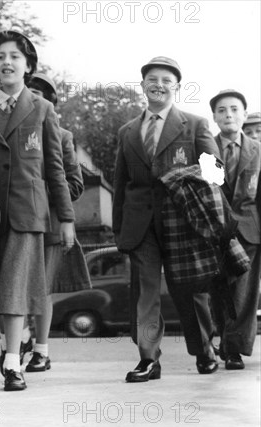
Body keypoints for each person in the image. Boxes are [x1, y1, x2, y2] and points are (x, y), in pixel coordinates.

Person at [0, 30, 76, 391]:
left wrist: (66, 218)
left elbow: (55, 169)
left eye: (15, 57)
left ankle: (11, 362)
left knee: (17, 287)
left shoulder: (43, 109)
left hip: (27, 215)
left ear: (28, 65)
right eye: (0, 57)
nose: (7, 62)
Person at [112, 56, 220, 383]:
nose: (158, 84)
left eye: (166, 80)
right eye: (152, 79)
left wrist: (182, 176)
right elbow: (120, 184)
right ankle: (148, 359)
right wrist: (120, 229)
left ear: (177, 87)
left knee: (191, 290)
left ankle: (204, 350)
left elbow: (216, 173)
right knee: (145, 291)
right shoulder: (127, 131)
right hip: (141, 225)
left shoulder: (196, 124)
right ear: (143, 85)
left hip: (183, 222)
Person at [5, 72, 90, 373]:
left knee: (43, 289)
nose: (35, 98)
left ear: (51, 103)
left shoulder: (63, 136)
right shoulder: (8, 130)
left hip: (50, 223)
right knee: (11, 285)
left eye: (42, 95)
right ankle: (16, 343)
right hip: (16, 219)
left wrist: (43, 190)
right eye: (31, 92)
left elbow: (75, 185)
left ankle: (41, 349)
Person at [209, 89, 261, 370]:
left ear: (243, 113)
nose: (228, 115)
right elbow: (209, 191)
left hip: (250, 230)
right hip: (217, 230)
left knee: (244, 292)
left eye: (234, 109)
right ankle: (225, 339)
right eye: (221, 110)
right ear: (215, 117)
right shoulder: (208, 149)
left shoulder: (257, 150)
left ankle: (234, 349)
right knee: (220, 291)